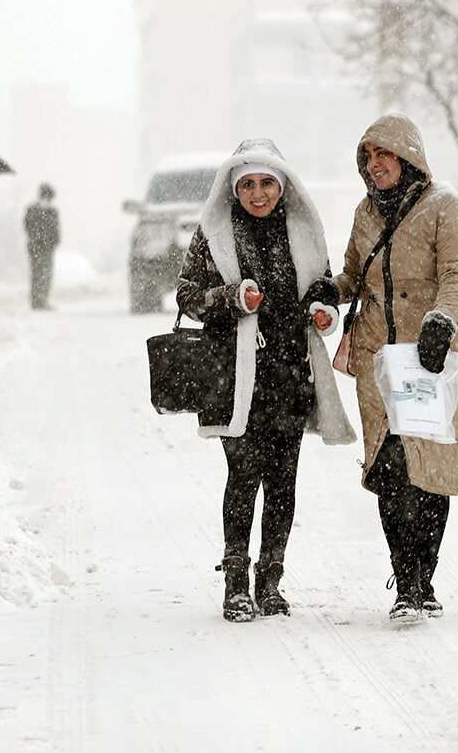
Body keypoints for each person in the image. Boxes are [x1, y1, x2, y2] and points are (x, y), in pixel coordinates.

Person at [176, 138, 355, 623]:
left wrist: (321, 312)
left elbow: (324, 289)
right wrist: (233, 297)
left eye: (267, 183)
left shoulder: (303, 229)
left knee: (283, 481)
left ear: (282, 184)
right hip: (235, 377)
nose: (259, 194)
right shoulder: (214, 233)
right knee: (243, 476)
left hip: (291, 374)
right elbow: (187, 295)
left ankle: (270, 580)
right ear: (234, 189)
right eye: (248, 185)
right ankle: (236, 583)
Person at [330, 113, 458, 622]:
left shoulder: (444, 207)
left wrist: (442, 318)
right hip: (378, 359)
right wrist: (331, 290)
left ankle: (425, 576)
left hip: (428, 358)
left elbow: (456, 273)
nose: (375, 166)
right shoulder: (364, 213)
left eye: (384, 155)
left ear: (407, 155)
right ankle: (405, 581)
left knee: (428, 470)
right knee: (389, 468)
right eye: (368, 158)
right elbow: (354, 273)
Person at [23, 182, 61, 310]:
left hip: (47, 247)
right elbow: (28, 226)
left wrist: (54, 241)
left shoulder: (52, 211)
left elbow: (56, 229)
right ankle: (37, 301)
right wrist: (39, 238)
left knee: (45, 274)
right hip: (37, 247)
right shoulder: (34, 209)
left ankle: (42, 300)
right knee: (38, 273)